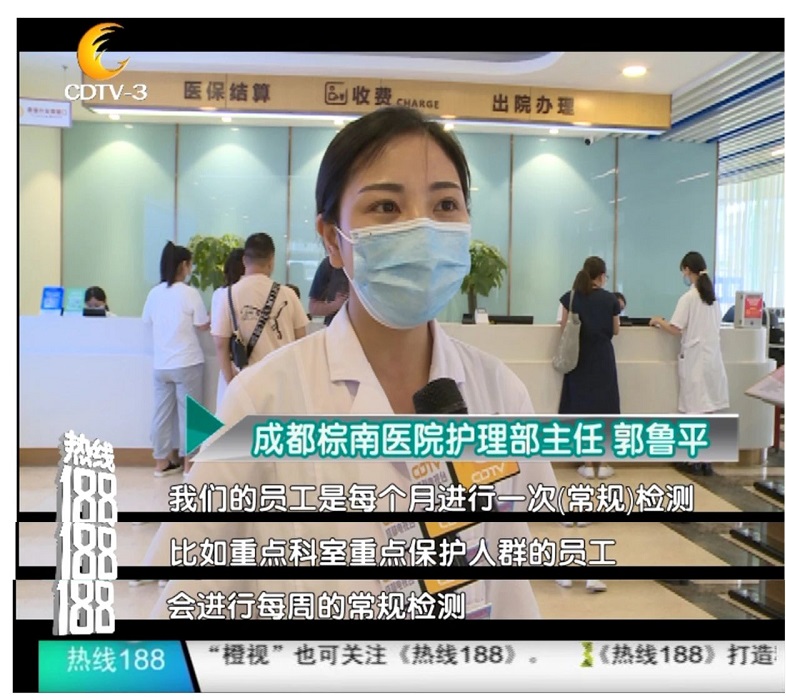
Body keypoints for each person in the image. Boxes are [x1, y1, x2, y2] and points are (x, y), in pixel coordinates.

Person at [143, 105, 558, 620]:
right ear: (331, 239)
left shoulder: (500, 394)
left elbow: (508, 581)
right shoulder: (261, 401)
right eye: (385, 206)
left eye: (446, 204)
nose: (421, 228)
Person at [649, 251, 730, 475]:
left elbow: (676, 328)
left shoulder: (689, 298)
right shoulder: (712, 299)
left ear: (687, 270)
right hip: (712, 360)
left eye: (683, 271)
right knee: (708, 410)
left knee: (694, 410)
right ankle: (705, 461)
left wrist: (658, 321)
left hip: (696, 361)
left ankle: (693, 460)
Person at [142, 242, 210, 477]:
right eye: (190, 264)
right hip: (187, 362)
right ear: (183, 265)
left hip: (162, 365)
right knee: (191, 416)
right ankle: (189, 465)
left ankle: (161, 463)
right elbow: (201, 324)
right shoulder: (189, 293)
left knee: (161, 415)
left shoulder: (154, 293)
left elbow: (147, 321)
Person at [211, 232, 308, 389]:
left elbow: (220, 344)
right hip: (282, 380)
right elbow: (301, 341)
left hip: (246, 382)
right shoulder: (289, 295)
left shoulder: (228, 295)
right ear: (271, 260)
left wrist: (230, 381)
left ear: (244, 260)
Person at [558, 256, 621, 480]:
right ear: (602, 276)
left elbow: (564, 327)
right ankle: (602, 464)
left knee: (581, 408)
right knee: (605, 409)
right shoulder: (611, 300)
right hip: (603, 359)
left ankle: (586, 463)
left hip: (578, 358)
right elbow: (616, 330)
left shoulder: (570, 297)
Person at [209, 248, 245, 411]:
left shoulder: (219, 294)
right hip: (249, 359)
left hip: (229, 360)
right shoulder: (245, 293)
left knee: (227, 410)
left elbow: (218, 337)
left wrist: (229, 376)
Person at [308, 255, 349, 326]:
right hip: (336, 327)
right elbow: (313, 308)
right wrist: (335, 305)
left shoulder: (366, 264)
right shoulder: (329, 263)